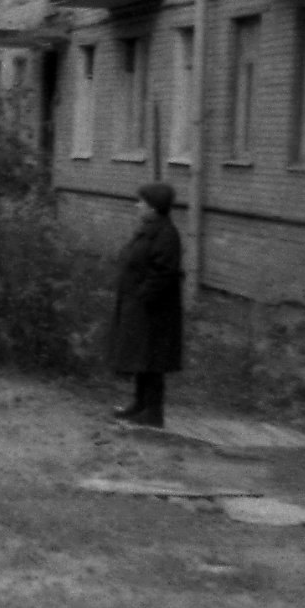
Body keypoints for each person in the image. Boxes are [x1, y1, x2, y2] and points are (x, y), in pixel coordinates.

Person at [107, 181, 184, 428]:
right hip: (141, 308)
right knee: (140, 359)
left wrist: (142, 296)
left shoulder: (166, 234)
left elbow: (163, 273)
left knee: (152, 362)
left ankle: (153, 413)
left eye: (141, 201)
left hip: (155, 312)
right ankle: (139, 405)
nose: (137, 205)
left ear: (153, 208)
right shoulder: (150, 229)